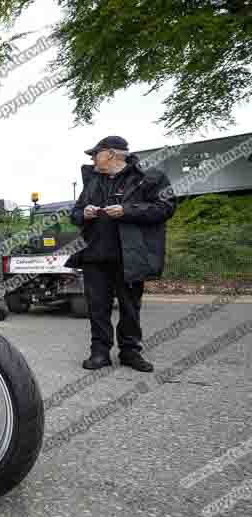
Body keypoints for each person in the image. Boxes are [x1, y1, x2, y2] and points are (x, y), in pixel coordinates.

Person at [65, 136, 176, 372]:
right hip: (95, 255)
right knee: (97, 308)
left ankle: (130, 352)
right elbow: (74, 214)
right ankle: (99, 353)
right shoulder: (93, 181)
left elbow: (166, 207)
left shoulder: (149, 178)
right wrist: (84, 213)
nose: (93, 158)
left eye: (96, 154)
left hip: (130, 257)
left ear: (112, 154)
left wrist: (127, 210)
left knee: (130, 307)